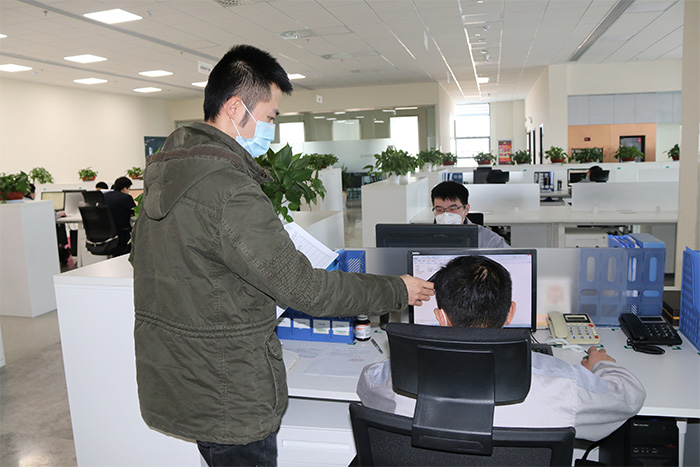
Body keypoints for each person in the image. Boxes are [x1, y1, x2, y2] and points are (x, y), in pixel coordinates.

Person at [129, 44, 433, 466]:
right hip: (230, 392)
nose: (272, 128)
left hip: (185, 378)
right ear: (235, 108)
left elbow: (178, 270)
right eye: (270, 117)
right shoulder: (230, 190)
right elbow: (305, 290)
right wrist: (396, 290)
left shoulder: (169, 177)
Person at [357, 255, 647, 441]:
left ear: (441, 317)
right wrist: (601, 363)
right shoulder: (562, 382)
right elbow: (630, 398)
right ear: (510, 313)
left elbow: (366, 383)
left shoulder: (400, 376)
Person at [431, 181, 509, 248]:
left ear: (466, 209)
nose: (446, 214)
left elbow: (510, 258)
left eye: (453, 209)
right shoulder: (425, 238)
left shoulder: (488, 240)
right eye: (439, 210)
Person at [102, 176, 135, 256]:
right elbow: (135, 212)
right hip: (121, 235)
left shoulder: (104, 196)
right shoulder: (126, 197)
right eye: (129, 189)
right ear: (124, 189)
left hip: (105, 234)